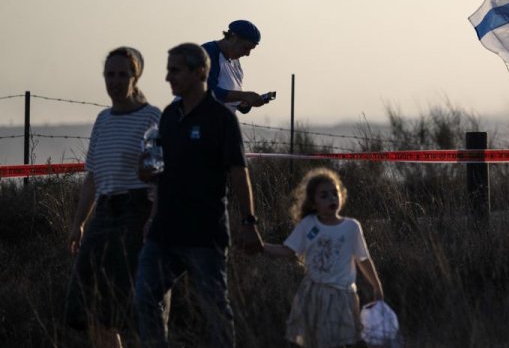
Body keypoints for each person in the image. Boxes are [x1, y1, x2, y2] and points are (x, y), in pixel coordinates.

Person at [134, 43, 265, 348]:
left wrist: (249, 222)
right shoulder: (168, 116)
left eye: (175, 70)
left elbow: (238, 173)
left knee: (215, 311)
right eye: (168, 70)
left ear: (200, 72)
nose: (168, 78)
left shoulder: (221, 119)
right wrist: (146, 176)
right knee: (144, 297)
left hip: (204, 235)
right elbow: (159, 169)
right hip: (163, 233)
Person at [65, 47, 161, 348]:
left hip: (136, 213)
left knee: (125, 304)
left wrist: (154, 219)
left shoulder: (151, 117)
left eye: (123, 74)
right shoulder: (103, 119)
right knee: (89, 302)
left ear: (135, 77)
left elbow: (160, 175)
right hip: (103, 214)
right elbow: (92, 178)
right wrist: (79, 223)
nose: (115, 81)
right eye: (110, 74)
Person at [264, 168, 385, 347]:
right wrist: (261, 246)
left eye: (334, 193)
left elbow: (363, 259)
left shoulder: (352, 227)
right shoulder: (309, 225)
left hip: (342, 296)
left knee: (340, 341)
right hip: (314, 294)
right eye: (324, 195)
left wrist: (376, 285)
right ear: (313, 203)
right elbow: (288, 250)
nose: (331, 198)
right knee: (314, 341)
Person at [202, 19, 272, 114]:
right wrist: (244, 96)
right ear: (233, 38)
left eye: (251, 49)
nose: (247, 54)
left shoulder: (236, 64)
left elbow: (234, 102)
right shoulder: (207, 53)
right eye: (245, 48)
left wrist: (246, 103)